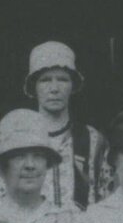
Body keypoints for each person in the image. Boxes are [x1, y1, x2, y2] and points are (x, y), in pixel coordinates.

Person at [7, 40, 111, 210]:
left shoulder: (93, 140)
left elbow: (107, 203)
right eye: (45, 80)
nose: (54, 88)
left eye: (62, 79)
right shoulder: (16, 141)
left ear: (73, 85)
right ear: (34, 86)